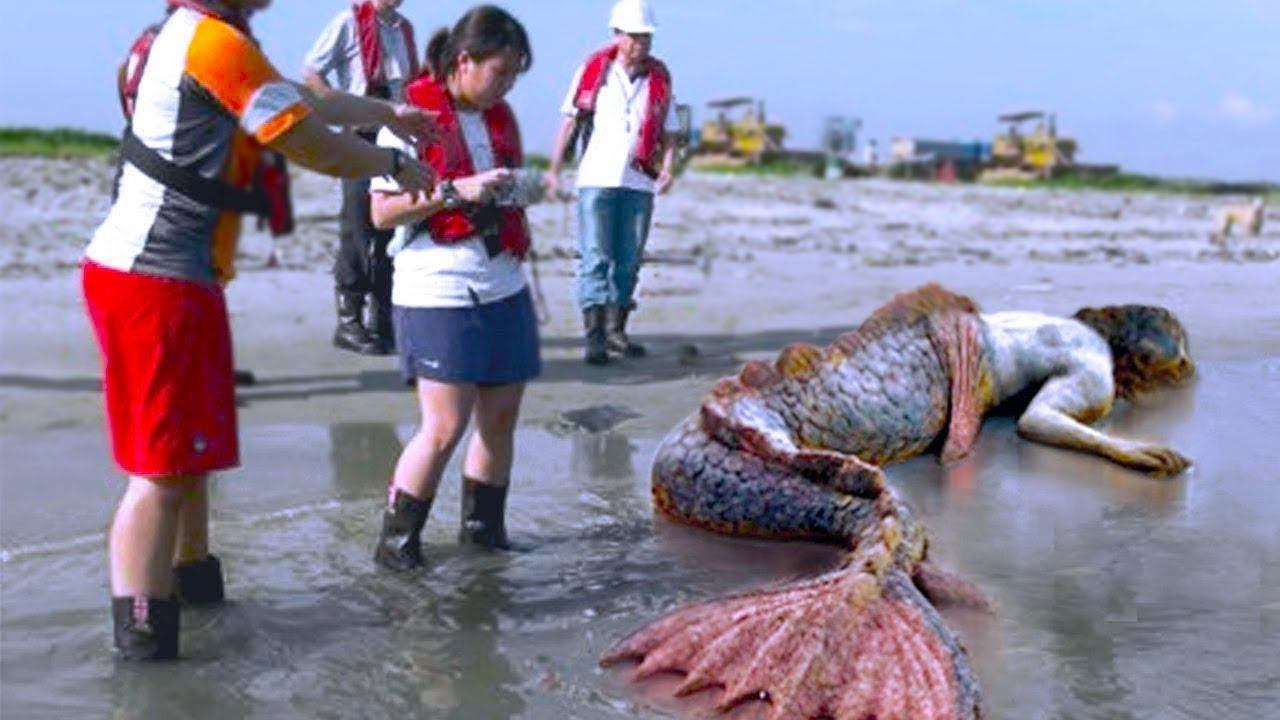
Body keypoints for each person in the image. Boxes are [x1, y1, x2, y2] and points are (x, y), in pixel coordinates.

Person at [84, 0, 436, 660]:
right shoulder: (213, 43)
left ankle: (196, 591)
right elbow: (304, 139)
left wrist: (388, 114)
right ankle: (143, 647)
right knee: (160, 471)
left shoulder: (210, 38)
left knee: (190, 452)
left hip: (175, 277)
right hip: (150, 278)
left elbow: (305, 101)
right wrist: (388, 164)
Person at [367, 5, 541, 570]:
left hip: (501, 278)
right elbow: (381, 212)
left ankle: (484, 536)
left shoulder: (499, 116)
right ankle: (397, 547)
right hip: (436, 284)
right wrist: (454, 191)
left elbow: (501, 187)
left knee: (501, 415)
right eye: (501, 72)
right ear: (464, 61)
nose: (508, 85)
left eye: (516, 75)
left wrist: (517, 192)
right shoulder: (411, 115)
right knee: (443, 426)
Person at [545, 0, 677, 365]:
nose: (640, 44)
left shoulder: (660, 79)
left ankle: (617, 331)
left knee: (629, 258)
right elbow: (570, 121)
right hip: (597, 178)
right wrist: (554, 168)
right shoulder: (593, 71)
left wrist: (667, 167)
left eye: (646, 37)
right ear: (617, 35)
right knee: (595, 256)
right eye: (634, 37)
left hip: (639, 181)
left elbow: (670, 131)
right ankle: (594, 336)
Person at [304, 0, 420, 355]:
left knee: (391, 224)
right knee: (356, 225)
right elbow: (312, 72)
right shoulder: (347, 22)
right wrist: (335, 105)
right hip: (359, 135)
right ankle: (349, 320)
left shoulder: (404, 29)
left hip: (396, 135)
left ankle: (383, 318)